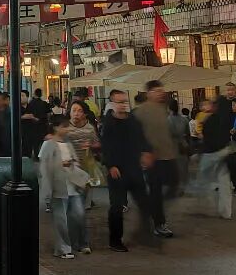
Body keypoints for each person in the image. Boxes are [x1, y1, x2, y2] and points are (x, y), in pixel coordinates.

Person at [99, 89, 156, 252]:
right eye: (119, 102)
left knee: (144, 203)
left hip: (134, 169)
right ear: (112, 104)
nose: (123, 105)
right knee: (117, 207)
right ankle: (115, 241)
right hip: (117, 171)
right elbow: (106, 147)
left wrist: (147, 152)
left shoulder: (133, 121)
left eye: (125, 101)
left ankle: (145, 234)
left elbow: (142, 139)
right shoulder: (108, 123)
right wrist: (111, 165)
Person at [39, 115, 90, 257]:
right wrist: (47, 188)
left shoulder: (68, 143)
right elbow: (45, 167)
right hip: (58, 186)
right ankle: (63, 248)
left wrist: (73, 164)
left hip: (72, 184)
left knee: (78, 214)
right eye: (64, 126)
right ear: (56, 127)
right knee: (61, 218)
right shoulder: (48, 145)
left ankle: (76, 243)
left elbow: (76, 161)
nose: (67, 129)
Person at [133, 80, 178, 237]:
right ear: (149, 93)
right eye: (157, 91)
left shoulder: (162, 109)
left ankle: (150, 209)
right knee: (156, 190)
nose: (161, 93)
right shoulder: (140, 112)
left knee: (174, 184)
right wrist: (143, 153)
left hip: (168, 155)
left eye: (161, 90)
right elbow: (135, 135)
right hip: (152, 158)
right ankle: (159, 223)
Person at [194, 96, 235, 220]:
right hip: (223, 152)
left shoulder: (210, 120)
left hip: (210, 154)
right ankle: (226, 212)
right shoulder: (228, 119)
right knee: (224, 184)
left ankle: (207, 207)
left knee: (205, 181)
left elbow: (206, 137)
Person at [67, 100, 104, 204]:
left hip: (86, 161)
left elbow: (98, 143)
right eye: (74, 110)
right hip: (69, 162)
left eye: (80, 111)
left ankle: (86, 203)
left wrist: (91, 145)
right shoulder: (64, 127)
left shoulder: (90, 128)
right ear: (70, 112)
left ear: (85, 114)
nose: (76, 113)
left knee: (86, 184)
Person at [167, 98, 191, 192]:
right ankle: (183, 186)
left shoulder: (167, 120)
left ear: (169, 108)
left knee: (174, 167)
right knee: (183, 167)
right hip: (183, 144)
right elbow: (188, 134)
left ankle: (175, 186)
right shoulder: (184, 119)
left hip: (172, 145)